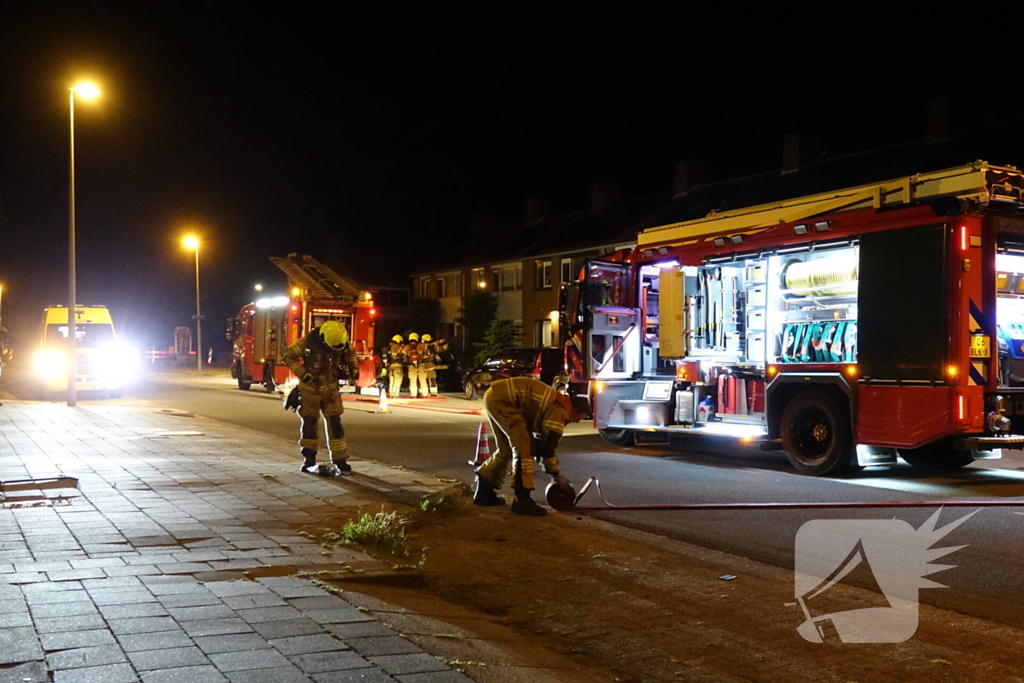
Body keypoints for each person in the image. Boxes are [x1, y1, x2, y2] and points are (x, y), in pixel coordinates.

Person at [474, 377, 589, 516]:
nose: (577, 422)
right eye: (580, 418)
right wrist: (555, 475)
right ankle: (522, 501)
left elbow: (543, 445)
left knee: (506, 450)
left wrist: (551, 470)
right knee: (524, 448)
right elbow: (548, 446)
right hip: (504, 401)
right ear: (574, 410)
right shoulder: (560, 410)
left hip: (495, 396)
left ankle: (484, 493)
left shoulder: (557, 404)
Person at [282, 320, 359, 473]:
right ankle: (309, 459)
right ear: (323, 338)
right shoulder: (308, 341)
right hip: (310, 389)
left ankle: (340, 459)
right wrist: (303, 374)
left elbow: (350, 354)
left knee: (336, 424)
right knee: (310, 424)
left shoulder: (340, 340)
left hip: (331, 389)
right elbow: (288, 356)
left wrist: (354, 369)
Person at [406, 332, 427, 398]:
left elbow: (403, 354)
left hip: (411, 366)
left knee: (413, 380)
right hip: (421, 365)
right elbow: (426, 353)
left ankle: (413, 394)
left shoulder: (407, 347)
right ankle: (424, 394)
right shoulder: (421, 345)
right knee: (422, 379)